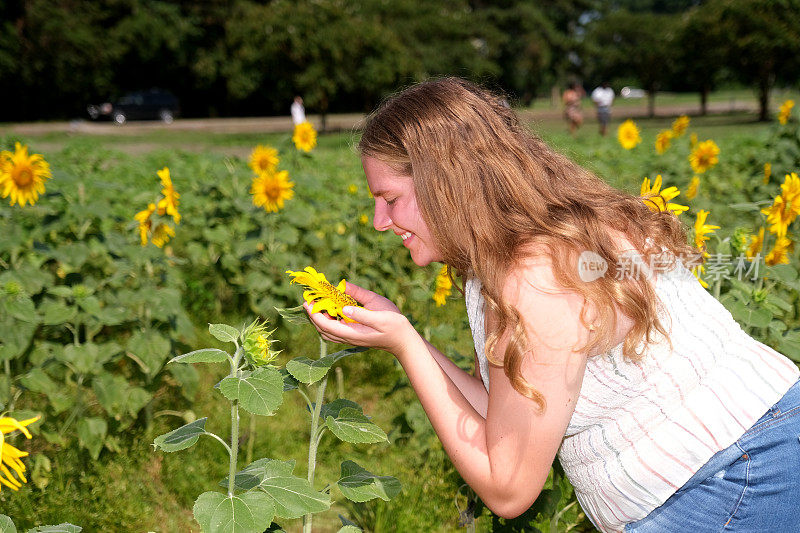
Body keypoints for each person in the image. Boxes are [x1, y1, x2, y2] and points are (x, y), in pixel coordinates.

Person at [302, 78, 800, 532]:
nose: (378, 222)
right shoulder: (525, 241)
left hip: (732, 481)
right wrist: (402, 332)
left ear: (444, 185)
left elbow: (509, 487)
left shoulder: (535, 278)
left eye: (389, 199)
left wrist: (408, 349)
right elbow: (509, 421)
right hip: (751, 452)